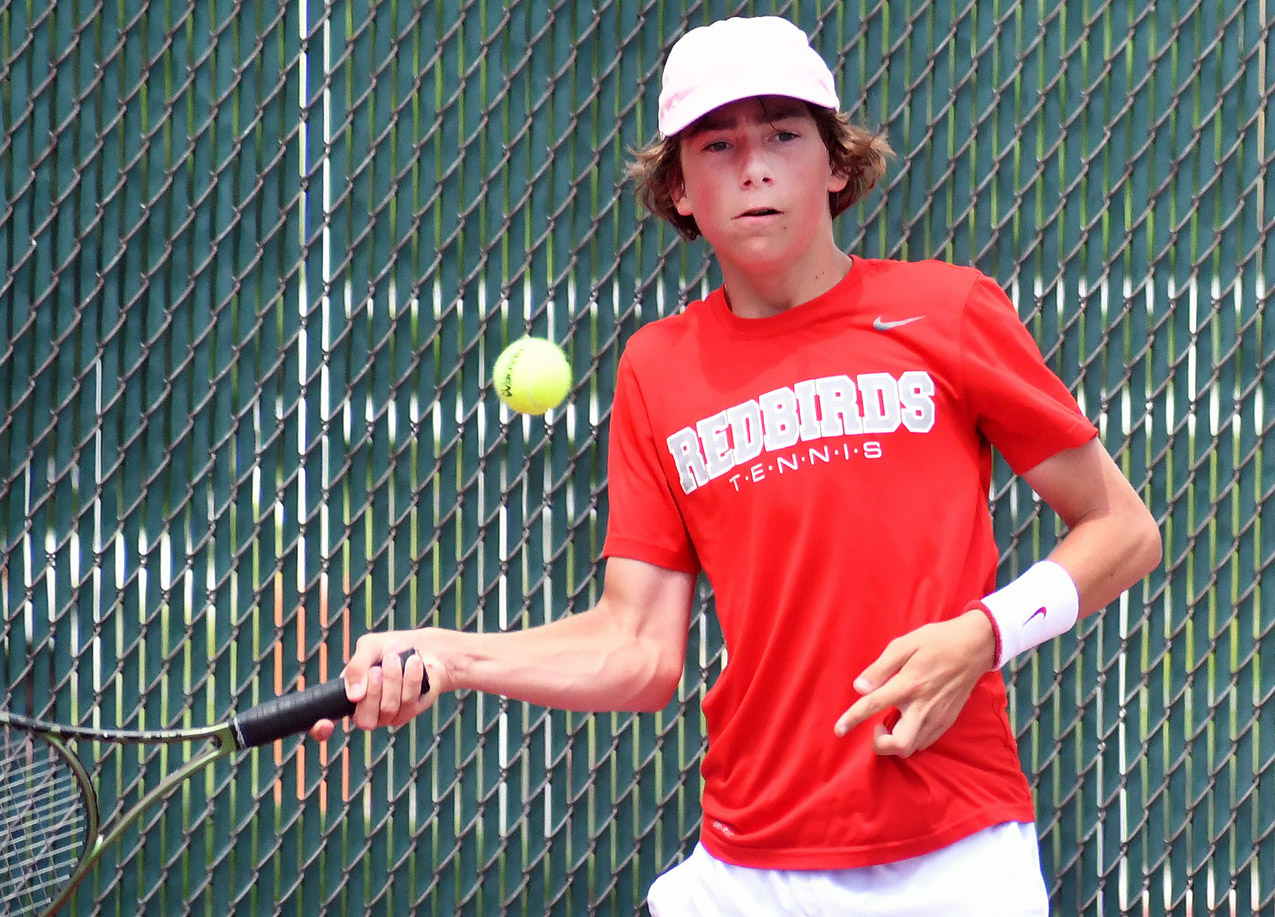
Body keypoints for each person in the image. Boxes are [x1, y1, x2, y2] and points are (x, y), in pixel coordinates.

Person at [309, 15, 1162, 916]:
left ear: (835, 165)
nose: (753, 166)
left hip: (954, 856)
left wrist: (984, 634)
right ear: (679, 190)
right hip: (744, 867)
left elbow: (1124, 529)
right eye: (717, 145)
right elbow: (637, 650)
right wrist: (448, 654)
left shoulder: (945, 311)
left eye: (783, 135)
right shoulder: (657, 368)